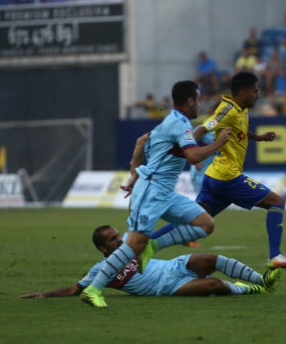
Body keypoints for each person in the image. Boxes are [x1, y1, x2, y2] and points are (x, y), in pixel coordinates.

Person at [79, 80, 232, 308]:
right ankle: (93, 289)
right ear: (190, 101)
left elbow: (142, 142)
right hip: (152, 191)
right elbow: (192, 157)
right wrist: (218, 143)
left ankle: (155, 246)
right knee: (133, 245)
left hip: (165, 192)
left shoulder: (174, 122)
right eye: (198, 100)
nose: (199, 104)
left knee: (205, 224)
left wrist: (133, 176)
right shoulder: (178, 124)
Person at [195, 71, 286, 270]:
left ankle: (146, 244)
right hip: (228, 178)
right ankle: (275, 256)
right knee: (277, 202)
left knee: (194, 222)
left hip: (215, 177)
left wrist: (257, 138)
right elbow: (203, 128)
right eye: (255, 91)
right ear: (243, 92)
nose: (258, 95)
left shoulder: (242, 109)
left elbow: (238, 131)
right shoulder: (228, 110)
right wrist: (188, 149)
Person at [22, 225, 281, 299]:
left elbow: (153, 234)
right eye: (112, 240)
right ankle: (248, 289)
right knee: (215, 287)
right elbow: (74, 290)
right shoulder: (100, 271)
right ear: (103, 248)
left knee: (210, 259)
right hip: (167, 289)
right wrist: (44, 295)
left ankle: (261, 281)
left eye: (117, 236)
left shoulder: (131, 244)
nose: (119, 241)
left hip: (174, 266)